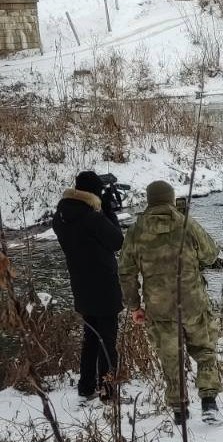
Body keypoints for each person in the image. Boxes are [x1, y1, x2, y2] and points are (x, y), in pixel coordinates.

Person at [119, 181, 222, 425]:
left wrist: (134, 306)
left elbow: (126, 272)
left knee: (170, 358)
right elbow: (211, 254)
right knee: (205, 351)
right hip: (193, 302)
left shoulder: (135, 231)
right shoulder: (187, 224)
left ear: (149, 200)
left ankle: (179, 411)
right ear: (171, 199)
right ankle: (209, 403)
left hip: (159, 307)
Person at [52, 171, 124, 402]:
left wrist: (100, 210)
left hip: (81, 286)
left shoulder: (61, 217)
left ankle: (86, 387)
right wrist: (108, 211)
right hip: (104, 285)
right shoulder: (93, 218)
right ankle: (108, 391)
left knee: (91, 337)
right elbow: (116, 241)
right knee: (108, 341)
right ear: (94, 193)